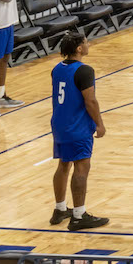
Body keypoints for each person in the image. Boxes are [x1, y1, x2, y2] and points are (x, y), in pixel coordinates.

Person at [49, 33, 109, 232]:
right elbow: (90, 101)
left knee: (63, 165)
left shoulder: (57, 68)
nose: (88, 44)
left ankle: (59, 209)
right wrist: (99, 124)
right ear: (79, 49)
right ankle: (79, 215)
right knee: (81, 168)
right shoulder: (84, 71)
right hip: (77, 126)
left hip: (59, 124)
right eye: (85, 42)